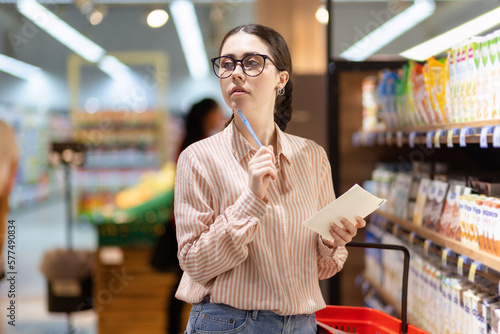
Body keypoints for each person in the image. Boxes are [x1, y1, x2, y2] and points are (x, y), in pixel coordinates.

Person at [174, 24, 366, 333]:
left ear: (281, 79)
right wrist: (249, 201)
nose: (236, 73)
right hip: (230, 323)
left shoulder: (312, 157)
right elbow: (195, 264)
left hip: (302, 323)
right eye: (226, 64)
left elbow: (322, 268)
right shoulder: (198, 158)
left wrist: (331, 243)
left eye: (251, 62)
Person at [150, 98, 223, 334]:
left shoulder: (187, 142)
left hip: (182, 221)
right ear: (206, 115)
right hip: (193, 224)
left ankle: (174, 327)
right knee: (187, 281)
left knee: (184, 281)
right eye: (216, 112)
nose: (220, 116)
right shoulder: (199, 146)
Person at [0, 121, 19, 280]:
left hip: (2, 186)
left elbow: (14, 158)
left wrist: (10, 180)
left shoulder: (4, 128)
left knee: (1, 222)